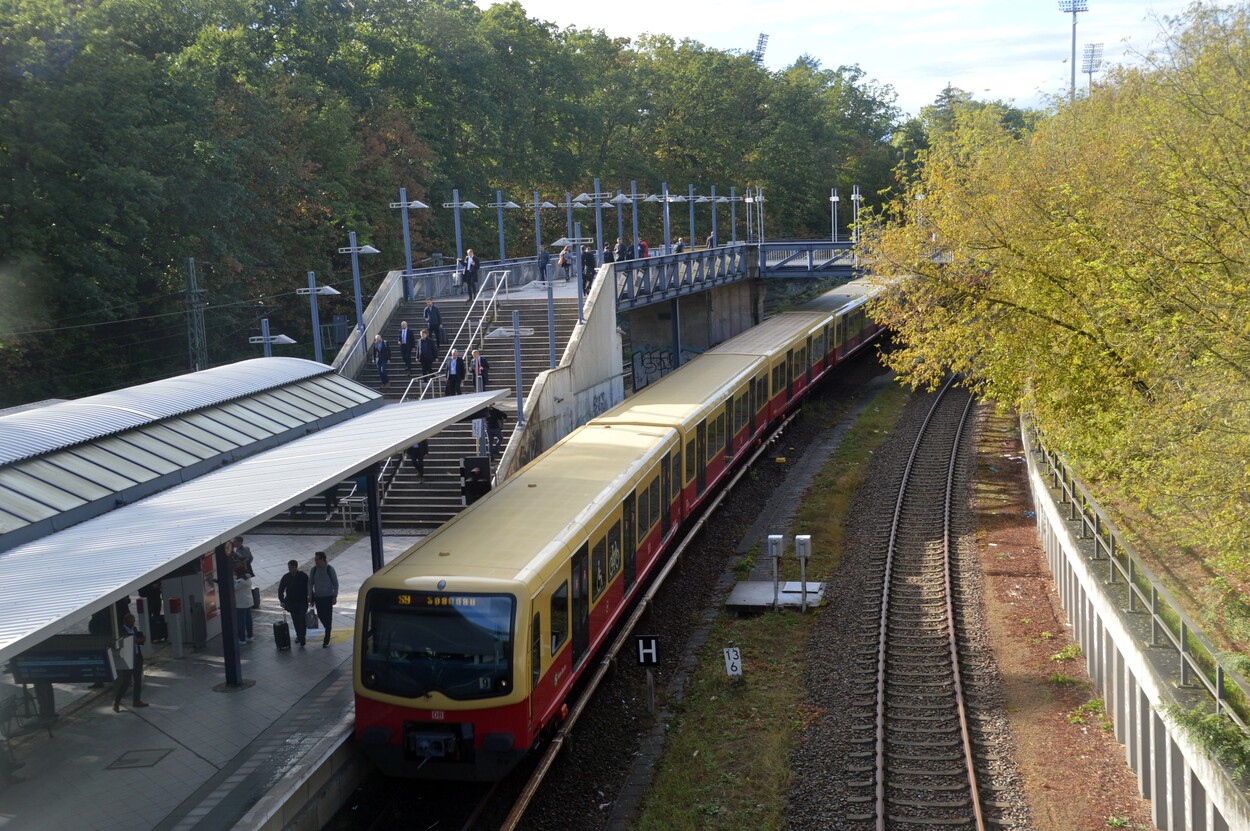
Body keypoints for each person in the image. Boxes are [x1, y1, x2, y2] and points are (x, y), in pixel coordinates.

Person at [112, 614, 147, 712]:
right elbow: (122, 643)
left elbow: (136, 640)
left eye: (133, 621)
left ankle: (136, 700)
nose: (133, 623)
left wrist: (141, 640)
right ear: (126, 622)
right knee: (126, 682)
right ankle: (117, 701)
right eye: (131, 622)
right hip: (127, 659)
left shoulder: (134, 629)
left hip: (136, 656)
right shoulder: (121, 631)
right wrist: (135, 641)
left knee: (137, 680)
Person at [278, 560, 311, 648]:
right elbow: (281, 589)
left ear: (296, 567)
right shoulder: (286, 577)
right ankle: (299, 635)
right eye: (289, 568)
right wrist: (281, 600)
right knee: (295, 620)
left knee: (301, 619)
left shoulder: (303, 576)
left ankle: (302, 637)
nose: (290, 569)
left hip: (302, 602)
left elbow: (309, 587)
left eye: (292, 568)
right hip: (291, 603)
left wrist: (310, 597)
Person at [309, 551, 339, 648]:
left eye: (317, 559)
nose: (316, 561)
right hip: (318, 597)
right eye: (315, 559)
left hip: (328, 597)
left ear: (322, 559)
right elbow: (310, 583)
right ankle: (328, 628)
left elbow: (335, 583)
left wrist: (335, 596)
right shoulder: (313, 570)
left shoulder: (330, 569)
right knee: (321, 615)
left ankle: (327, 638)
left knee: (328, 617)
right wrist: (310, 596)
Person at [234, 566, 255, 644]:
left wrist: (234, 579)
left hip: (241, 604)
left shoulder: (240, 582)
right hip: (248, 602)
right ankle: (250, 636)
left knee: (241, 622)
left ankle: (242, 639)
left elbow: (233, 588)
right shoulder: (248, 579)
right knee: (248, 620)